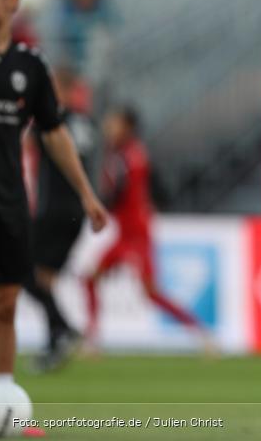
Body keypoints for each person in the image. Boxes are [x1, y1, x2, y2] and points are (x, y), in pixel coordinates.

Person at [0, 0, 107, 406]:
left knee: (5, 303)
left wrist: (86, 192)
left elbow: (54, 132)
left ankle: (3, 400)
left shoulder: (30, 66)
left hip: (8, 200)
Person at [83, 106, 215, 355]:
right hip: (126, 233)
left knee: (150, 293)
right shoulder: (134, 153)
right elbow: (155, 187)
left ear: (127, 127)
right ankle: (92, 340)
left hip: (136, 235)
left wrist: (94, 205)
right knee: (90, 278)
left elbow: (117, 193)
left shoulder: (124, 157)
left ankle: (201, 332)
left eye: (115, 122)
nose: (109, 127)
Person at [23, 66, 97, 372]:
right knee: (44, 280)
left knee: (24, 272)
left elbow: (26, 144)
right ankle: (56, 341)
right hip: (76, 211)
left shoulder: (51, 120)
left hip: (53, 210)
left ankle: (62, 328)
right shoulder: (85, 123)